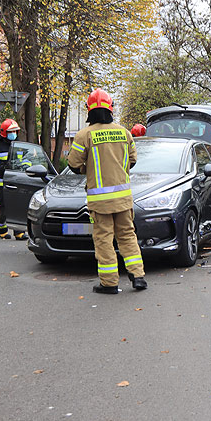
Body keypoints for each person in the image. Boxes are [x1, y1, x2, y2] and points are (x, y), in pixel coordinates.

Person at [68, 88, 147, 294]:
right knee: (127, 236)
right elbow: (132, 161)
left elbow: (74, 165)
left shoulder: (84, 135)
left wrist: (89, 167)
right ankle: (138, 276)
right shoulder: (124, 133)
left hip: (100, 201)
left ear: (89, 110)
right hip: (123, 199)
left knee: (104, 240)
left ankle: (109, 282)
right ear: (111, 109)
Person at [0, 119, 27, 240]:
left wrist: (25, 166)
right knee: (3, 206)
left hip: (17, 180)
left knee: (18, 206)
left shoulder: (19, 145)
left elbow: (25, 159)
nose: (13, 133)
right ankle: (2, 230)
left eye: (15, 131)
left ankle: (19, 232)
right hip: (2, 182)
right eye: (11, 131)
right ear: (4, 132)